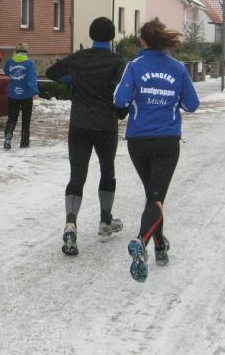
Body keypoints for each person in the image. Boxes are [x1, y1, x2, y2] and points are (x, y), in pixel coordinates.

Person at [113, 18, 199, 282]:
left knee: (153, 195)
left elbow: (119, 100)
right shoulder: (178, 68)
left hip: (138, 140)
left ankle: (160, 247)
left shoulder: (134, 66)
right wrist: (170, 98)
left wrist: (141, 96)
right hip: (166, 140)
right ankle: (142, 240)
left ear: (142, 41)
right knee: (156, 196)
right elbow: (192, 104)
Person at [46, 17, 127, 257]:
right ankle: (105, 221)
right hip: (106, 125)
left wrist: (73, 81)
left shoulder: (78, 58)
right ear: (112, 37)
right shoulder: (118, 62)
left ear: (91, 35)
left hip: (79, 125)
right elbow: (123, 89)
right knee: (107, 170)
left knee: (77, 175)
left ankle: (71, 224)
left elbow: (51, 72)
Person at [3, 42, 39, 149]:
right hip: (26, 96)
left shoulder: (10, 62)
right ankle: (24, 142)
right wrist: (35, 91)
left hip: (12, 95)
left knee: (12, 118)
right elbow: (31, 79)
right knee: (26, 120)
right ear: (26, 51)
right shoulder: (29, 63)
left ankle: (8, 138)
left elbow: (6, 71)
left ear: (16, 51)